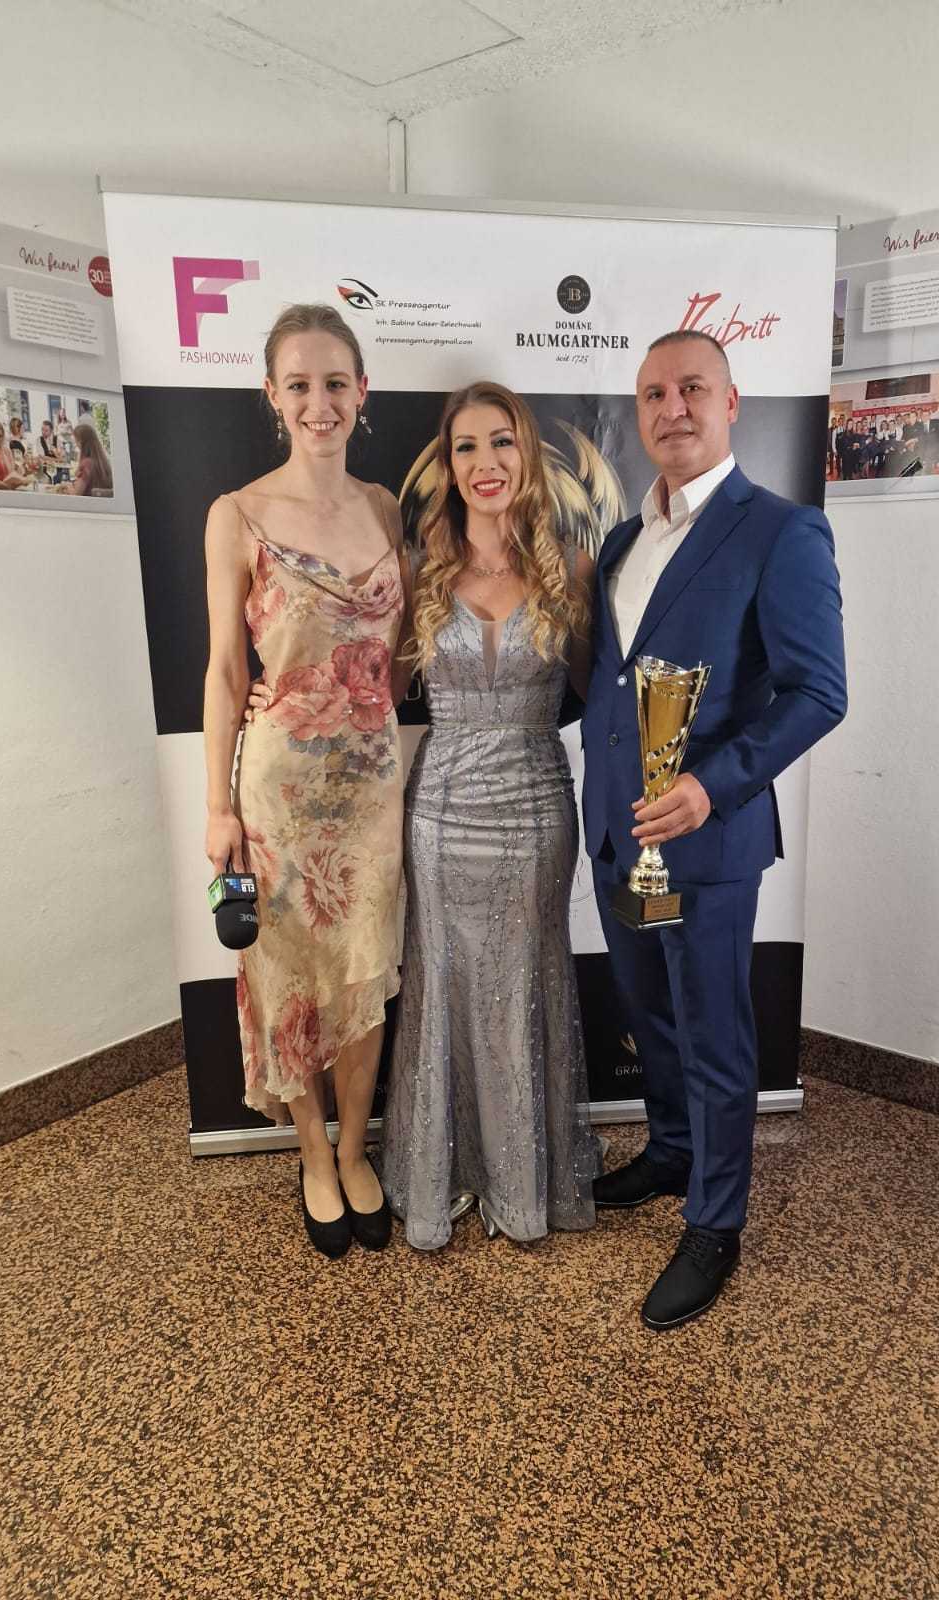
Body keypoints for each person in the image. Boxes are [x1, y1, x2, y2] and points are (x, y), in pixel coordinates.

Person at [582, 330, 846, 1330]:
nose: (672, 408)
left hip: (708, 838)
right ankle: (672, 1150)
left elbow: (819, 692)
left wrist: (711, 786)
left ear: (731, 403)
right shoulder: (620, 541)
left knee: (715, 1033)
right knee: (650, 1013)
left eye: (693, 387)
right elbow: (607, 685)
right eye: (654, 393)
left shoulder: (781, 532)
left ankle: (715, 1223)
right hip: (621, 833)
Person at [203, 302, 407, 1260]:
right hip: (278, 794)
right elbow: (224, 670)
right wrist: (216, 806)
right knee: (289, 982)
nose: (318, 403)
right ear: (272, 397)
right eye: (299, 385)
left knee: (364, 968)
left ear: (361, 392)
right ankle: (314, 1157)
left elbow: (402, 650)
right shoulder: (236, 515)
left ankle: (357, 1149)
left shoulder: (386, 508)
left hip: (373, 790)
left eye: (335, 383)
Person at [377, 381, 601, 1250]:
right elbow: (378, 696)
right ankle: (446, 1172)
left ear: (526, 452)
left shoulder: (571, 569)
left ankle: (525, 1177)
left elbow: (599, 695)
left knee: (528, 983)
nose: (485, 463)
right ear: (447, 463)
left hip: (539, 807)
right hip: (440, 812)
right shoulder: (418, 572)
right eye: (465, 446)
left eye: (500, 441)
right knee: (442, 984)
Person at [62, 420, 113, 497]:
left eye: (76, 441)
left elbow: (76, 494)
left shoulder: (87, 463)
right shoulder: (102, 462)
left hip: (86, 503)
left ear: (81, 442)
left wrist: (67, 485)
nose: (76, 444)